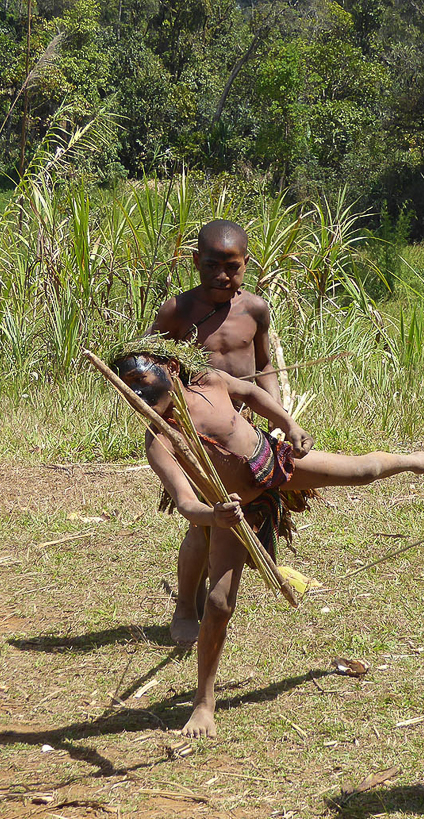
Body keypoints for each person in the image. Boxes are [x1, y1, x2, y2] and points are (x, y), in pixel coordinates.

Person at [110, 339, 424, 738]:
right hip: (233, 510)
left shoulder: (211, 381)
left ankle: (419, 461)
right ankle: (203, 701)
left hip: (274, 464)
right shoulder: (160, 442)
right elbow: (184, 502)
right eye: (127, 389)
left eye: (141, 380)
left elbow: (250, 392)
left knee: (364, 471)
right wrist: (214, 516)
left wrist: (290, 424)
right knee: (218, 604)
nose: (138, 395)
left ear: (172, 368)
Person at [150, 219, 280, 646]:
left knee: (242, 515)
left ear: (247, 265)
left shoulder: (255, 309)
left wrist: (277, 415)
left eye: (234, 267)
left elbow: (264, 366)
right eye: (212, 266)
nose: (223, 276)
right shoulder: (176, 312)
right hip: (198, 435)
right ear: (194, 262)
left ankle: (215, 596)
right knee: (201, 525)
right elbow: (148, 376)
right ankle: (187, 605)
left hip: (244, 430)